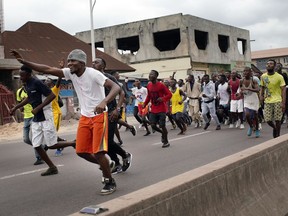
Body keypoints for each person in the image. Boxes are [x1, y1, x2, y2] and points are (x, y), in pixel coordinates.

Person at [10, 49, 120, 195]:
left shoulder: (94, 74)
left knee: (98, 152)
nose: (69, 64)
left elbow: (116, 87)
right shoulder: (70, 73)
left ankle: (109, 180)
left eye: (72, 61)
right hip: (85, 117)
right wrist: (24, 61)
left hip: (99, 116)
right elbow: (47, 68)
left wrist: (104, 101)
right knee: (81, 151)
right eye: (68, 61)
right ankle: (106, 164)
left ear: (81, 62)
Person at [10, 65, 76, 177]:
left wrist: (38, 108)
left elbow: (51, 95)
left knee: (51, 145)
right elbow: (29, 98)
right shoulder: (27, 84)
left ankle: (73, 143)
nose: (20, 78)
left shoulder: (37, 83)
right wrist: (16, 107)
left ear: (29, 74)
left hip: (46, 116)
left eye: (22, 75)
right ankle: (52, 167)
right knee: (36, 145)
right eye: (20, 75)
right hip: (36, 118)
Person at [92, 58, 133, 174]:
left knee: (108, 141)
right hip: (97, 115)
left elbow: (122, 93)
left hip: (111, 112)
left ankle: (125, 155)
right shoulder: (91, 78)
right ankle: (116, 162)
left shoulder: (109, 78)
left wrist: (117, 109)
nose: (93, 64)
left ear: (103, 66)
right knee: (103, 142)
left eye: (96, 62)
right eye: (93, 62)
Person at [143, 70, 172, 148]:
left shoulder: (161, 85)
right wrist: (144, 104)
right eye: (149, 74)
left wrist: (162, 99)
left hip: (162, 108)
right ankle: (163, 133)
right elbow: (149, 96)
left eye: (152, 74)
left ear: (156, 76)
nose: (150, 76)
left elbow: (169, 94)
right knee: (152, 125)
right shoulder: (149, 85)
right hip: (154, 108)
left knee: (162, 125)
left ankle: (166, 141)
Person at [16, 85, 44, 165]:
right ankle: (42, 147)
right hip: (26, 117)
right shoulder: (19, 92)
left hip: (34, 116)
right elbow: (20, 103)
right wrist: (21, 108)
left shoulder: (33, 90)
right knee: (26, 139)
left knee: (34, 137)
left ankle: (39, 157)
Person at [260, 59, 286, 138]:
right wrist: (261, 95)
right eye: (267, 64)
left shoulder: (279, 77)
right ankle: (275, 128)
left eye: (271, 64)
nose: (269, 65)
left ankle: (277, 135)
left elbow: (283, 90)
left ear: (274, 66)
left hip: (277, 100)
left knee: (278, 120)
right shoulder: (263, 76)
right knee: (268, 120)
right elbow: (262, 87)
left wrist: (283, 103)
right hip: (267, 100)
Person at [110, 70, 137, 143]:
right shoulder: (108, 83)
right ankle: (128, 129)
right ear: (113, 76)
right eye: (117, 74)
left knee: (114, 121)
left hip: (118, 104)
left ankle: (128, 127)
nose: (118, 76)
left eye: (119, 74)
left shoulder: (120, 85)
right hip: (110, 104)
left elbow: (124, 94)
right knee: (114, 122)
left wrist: (125, 102)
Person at [44, 75, 66, 156]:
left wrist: (59, 74)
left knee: (52, 132)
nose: (46, 81)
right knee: (49, 132)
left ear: (52, 84)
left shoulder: (54, 90)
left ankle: (59, 148)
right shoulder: (44, 92)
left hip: (56, 114)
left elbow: (58, 83)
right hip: (48, 115)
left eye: (48, 80)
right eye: (45, 80)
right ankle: (62, 141)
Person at [239, 67, 260, 138]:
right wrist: (239, 94)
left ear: (250, 72)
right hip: (247, 100)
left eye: (247, 71)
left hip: (254, 100)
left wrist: (248, 88)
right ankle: (251, 126)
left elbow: (258, 90)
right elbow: (240, 90)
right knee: (247, 114)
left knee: (255, 116)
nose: (245, 72)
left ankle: (257, 129)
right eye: (244, 71)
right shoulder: (241, 81)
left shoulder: (253, 80)